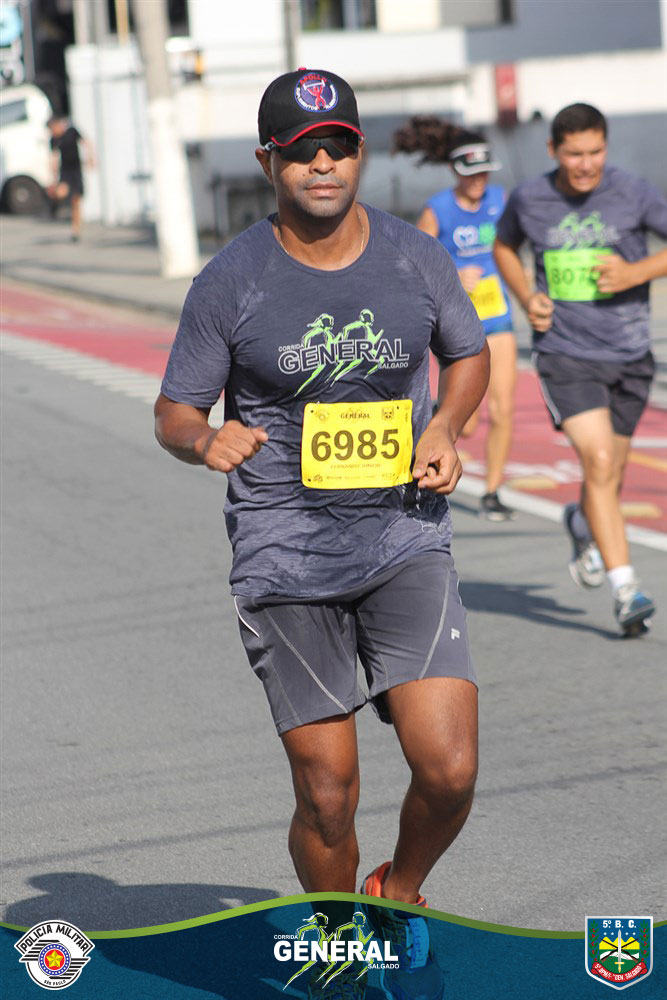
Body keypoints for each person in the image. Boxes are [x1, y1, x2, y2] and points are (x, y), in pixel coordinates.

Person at [154, 67, 489, 1000]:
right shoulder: (230, 281)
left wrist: (443, 424)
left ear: (359, 153)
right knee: (328, 791)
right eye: (302, 152)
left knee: (449, 768)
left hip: (403, 537)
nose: (323, 165)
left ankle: (397, 894)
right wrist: (202, 439)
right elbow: (174, 409)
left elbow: (467, 353)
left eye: (338, 146)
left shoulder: (413, 256)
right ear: (270, 163)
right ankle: (338, 938)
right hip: (284, 553)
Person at [494, 102, 667, 636]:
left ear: (605, 147)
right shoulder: (531, 198)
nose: (586, 164)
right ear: (553, 150)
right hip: (566, 353)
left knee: (608, 474)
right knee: (598, 460)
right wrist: (526, 297)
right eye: (574, 154)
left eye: (595, 152)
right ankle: (626, 590)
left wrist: (636, 271)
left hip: (630, 356)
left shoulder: (633, 191)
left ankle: (580, 520)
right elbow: (504, 246)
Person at [394, 116, 516, 521]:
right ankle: (435, 426)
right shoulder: (438, 210)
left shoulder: (500, 201)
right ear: (454, 170)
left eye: (484, 172)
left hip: (497, 316)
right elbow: (413, 265)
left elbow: (512, 247)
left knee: (503, 408)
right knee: (468, 421)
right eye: (470, 173)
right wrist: (453, 274)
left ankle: (493, 492)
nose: (478, 181)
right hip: (457, 322)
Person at [46, 115, 94, 242]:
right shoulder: (54, 139)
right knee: (61, 192)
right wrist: (53, 177)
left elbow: (86, 142)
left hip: (76, 170)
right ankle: (55, 205)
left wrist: (90, 158)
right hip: (65, 171)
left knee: (76, 201)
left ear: (57, 125)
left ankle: (75, 231)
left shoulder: (72, 132)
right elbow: (54, 158)